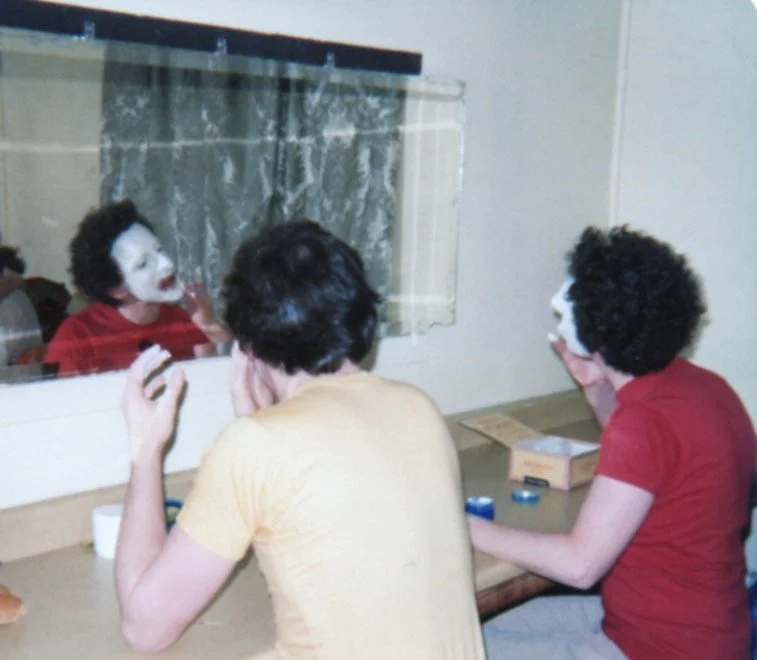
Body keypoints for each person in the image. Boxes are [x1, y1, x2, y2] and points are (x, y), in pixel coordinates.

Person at [114, 220, 485, 658]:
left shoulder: (256, 448)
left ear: (247, 347)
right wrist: (266, 423)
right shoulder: (417, 406)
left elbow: (144, 630)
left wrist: (146, 450)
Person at [471, 225, 755, 659]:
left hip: (660, 648)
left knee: (454, 648)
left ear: (597, 333)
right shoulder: (705, 386)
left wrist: (464, 527)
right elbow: (650, 461)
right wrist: (595, 386)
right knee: (467, 633)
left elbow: (579, 566)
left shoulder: (642, 422)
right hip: (695, 629)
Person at [45, 200, 230, 376]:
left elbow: (211, 385)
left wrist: (206, 326)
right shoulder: (77, 336)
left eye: (159, 250)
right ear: (116, 290)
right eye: (143, 264)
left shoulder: (181, 319)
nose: (166, 264)